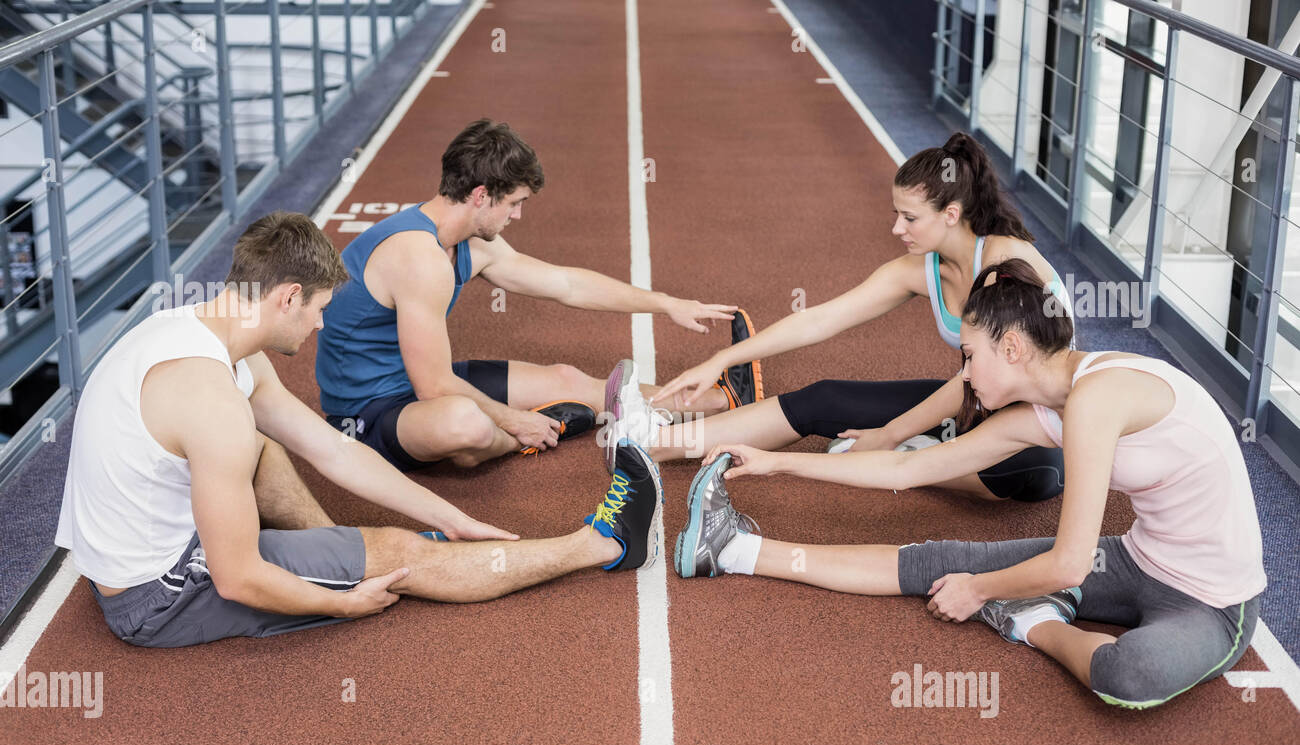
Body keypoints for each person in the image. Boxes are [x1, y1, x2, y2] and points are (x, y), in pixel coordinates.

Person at [675, 259, 1266, 710]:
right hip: (1136, 562)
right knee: (941, 562)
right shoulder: (1047, 409)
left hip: (1214, 602)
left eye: (968, 356)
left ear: (1011, 347)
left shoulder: (1097, 397)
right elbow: (906, 469)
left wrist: (980, 591)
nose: (962, 375)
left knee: (1127, 674)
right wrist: (778, 463)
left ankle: (1037, 624)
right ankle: (735, 549)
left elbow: (1068, 565)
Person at [54, 213, 662, 648]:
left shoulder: (199, 332)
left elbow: (334, 450)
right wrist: (342, 601)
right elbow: (235, 577)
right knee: (399, 553)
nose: (320, 326)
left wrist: (450, 516)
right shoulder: (211, 400)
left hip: (131, 551)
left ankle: (340, 551)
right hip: (156, 598)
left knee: (263, 451)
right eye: (319, 309)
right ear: (288, 297)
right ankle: (605, 544)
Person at [640, 131, 1072, 503]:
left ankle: (913, 454)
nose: (897, 229)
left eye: (910, 218)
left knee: (1025, 471)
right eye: (896, 215)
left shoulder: (1004, 263)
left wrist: (889, 435)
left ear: (951, 215)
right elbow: (820, 320)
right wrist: (723, 359)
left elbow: (973, 378)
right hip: (972, 402)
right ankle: (652, 445)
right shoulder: (919, 271)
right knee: (823, 399)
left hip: (1032, 428)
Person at [315, 117, 760, 472]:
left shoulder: (470, 244)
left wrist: (666, 303)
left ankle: (720, 402)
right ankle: (515, 440)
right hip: (368, 413)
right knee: (465, 425)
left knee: (568, 379)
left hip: (418, 381)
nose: (518, 215)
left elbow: (567, 285)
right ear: (481, 195)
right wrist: (514, 420)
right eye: (514, 203)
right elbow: (433, 387)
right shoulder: (418, 257)